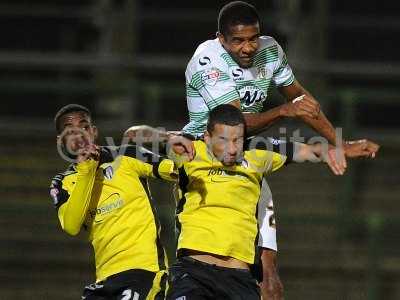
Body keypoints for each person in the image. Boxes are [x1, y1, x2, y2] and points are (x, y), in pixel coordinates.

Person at [181, 1, 380, 298]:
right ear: (221, 39)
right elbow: (237, 126)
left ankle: (262, 279)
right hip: (205, 159)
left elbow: (300, 98)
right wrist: (286, 111)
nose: (248, 47)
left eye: (253, 38)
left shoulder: (270, 49)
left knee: (268, 261)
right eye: (238, 41)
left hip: (247, 156)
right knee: (201, 254)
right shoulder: (207, 61)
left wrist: (339, 143)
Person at [166, 104, 347, 300]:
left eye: (238, 140)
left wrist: (345, 148)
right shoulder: (188, 152)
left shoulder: (256, 153)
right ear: (207, 137)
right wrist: (169, 139)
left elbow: (310, 150)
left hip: (239, 279)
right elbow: (134, 136)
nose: (233, 149)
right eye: (224, 140)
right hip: (193, 273)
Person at [49, 104, 190, 300]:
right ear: (60, 141)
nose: (78, 134)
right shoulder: (63, 182)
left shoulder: (125, 156)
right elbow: (71, 226)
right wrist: (86, 170)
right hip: (104, 279)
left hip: (144, 271)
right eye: (69, 130)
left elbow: (177, 170)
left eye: (84, 126)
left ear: (94, 132)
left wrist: (170, 140)